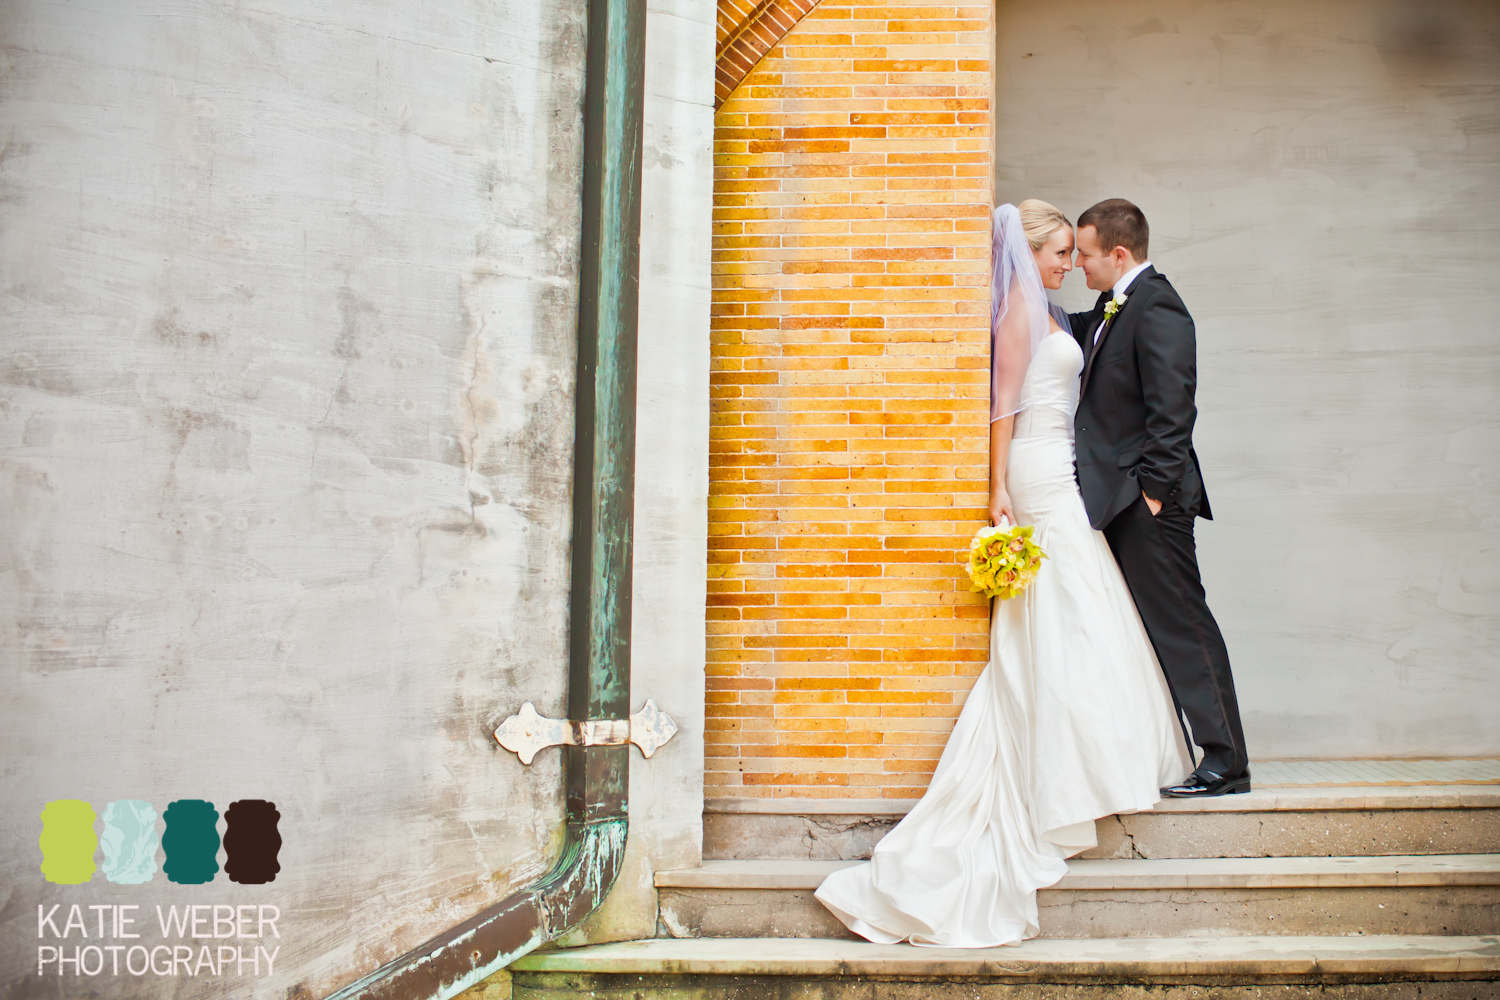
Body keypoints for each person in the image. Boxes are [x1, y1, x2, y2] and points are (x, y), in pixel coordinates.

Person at [814, 201, 1192, 948]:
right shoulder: (1020, 310)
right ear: (1033, 249)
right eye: (1059, 254)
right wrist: (996, 488)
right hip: (1035, 469)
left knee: (1078, 602)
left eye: (1074, 255)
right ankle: (1064, 765)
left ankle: (1088, 751)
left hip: (1063, 463)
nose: (1067, 266)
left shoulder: (1050, 311)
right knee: (1068, 599)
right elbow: (1002, 405)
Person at [1069, 198, 1250, 798]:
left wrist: (1150, 493)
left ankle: (1226, 762)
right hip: (1120, 498)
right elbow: (1074, 333)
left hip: (1149, 500)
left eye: (1085, 255)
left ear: (1118, 253)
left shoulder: (1158, 305)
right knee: (1153, 627)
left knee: (1182, 625)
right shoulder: (1113, 305)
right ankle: (1192, 752)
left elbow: (1173, 410)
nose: (1078, 265)